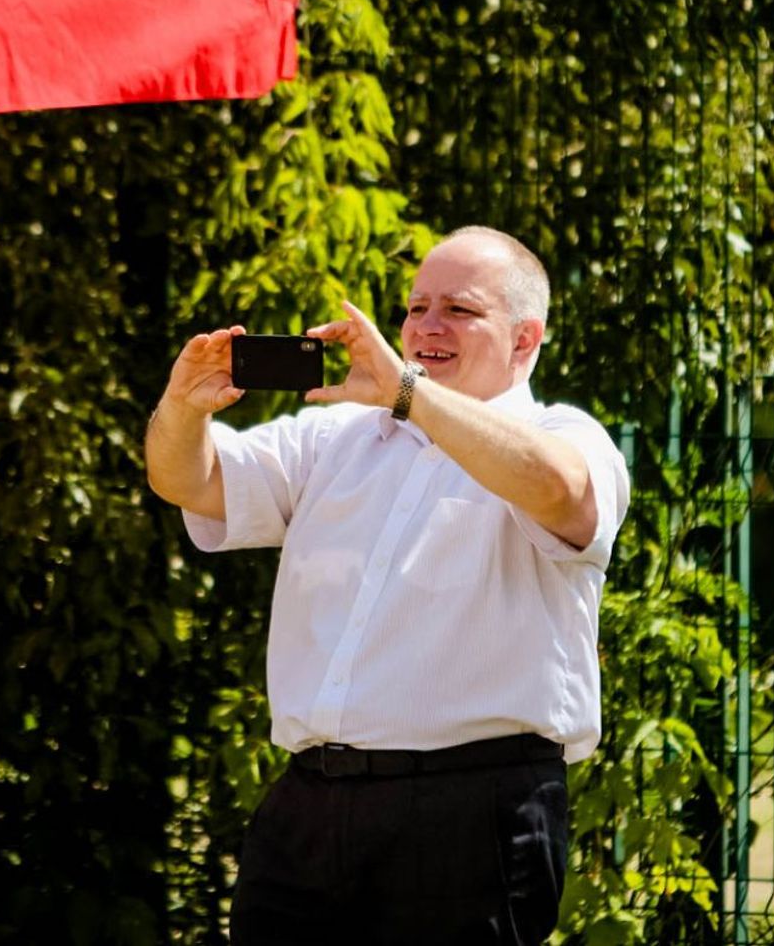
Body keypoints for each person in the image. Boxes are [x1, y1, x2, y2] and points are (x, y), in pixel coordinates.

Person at [145, 226, 630, 944]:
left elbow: (561, 491)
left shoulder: (564, 434)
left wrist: (408, 394)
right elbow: (189, 481)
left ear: (525, 338)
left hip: (470, 816)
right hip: (308, 810)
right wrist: (183, 408)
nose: (427, 326)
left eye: (459, 310)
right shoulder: (336, 436)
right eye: (416, 308)